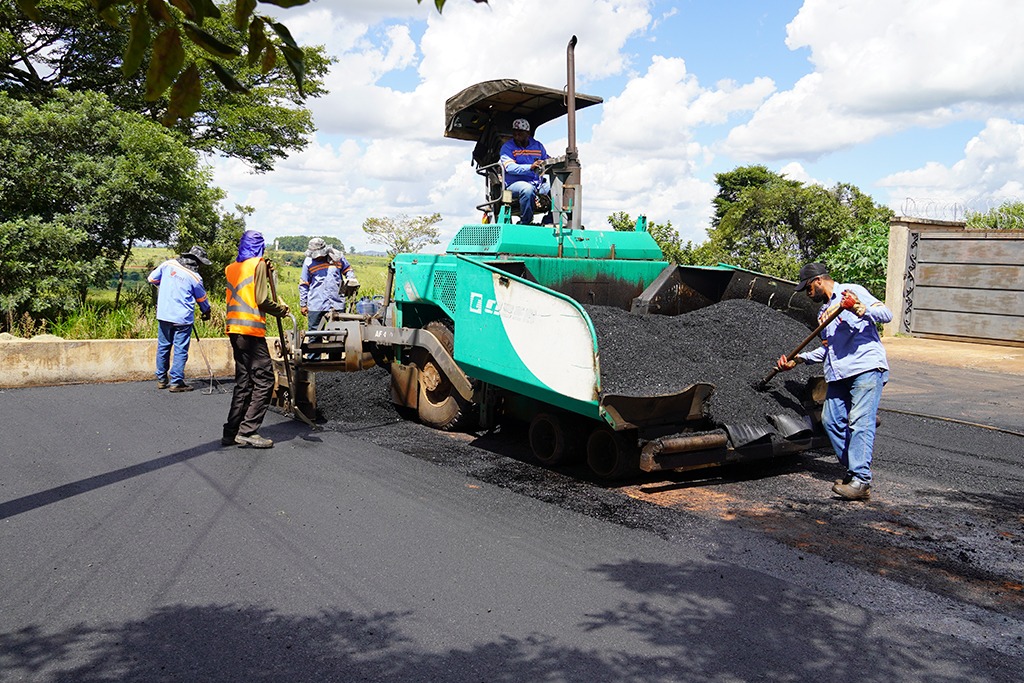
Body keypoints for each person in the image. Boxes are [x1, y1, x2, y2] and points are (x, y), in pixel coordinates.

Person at [774, 262, 893, 501]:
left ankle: (860, 480)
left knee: (860, 422)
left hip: (865, 368)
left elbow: (886, 315)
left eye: (807, 288)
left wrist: (857, 307)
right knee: (830, 421)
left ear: (817, 281)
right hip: (839, 374)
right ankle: (855, 471)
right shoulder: (822, 314)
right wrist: (798, 360)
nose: (808, 295)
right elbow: (829, 351)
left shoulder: (851, 291)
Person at [222, 230, 290, 449]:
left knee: (243, 382)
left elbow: (247, 288)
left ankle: (231, 432)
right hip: (251, 331)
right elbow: (260, 299)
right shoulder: (257, 264)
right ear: (260, 246)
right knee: (264, 380)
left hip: (234, 329)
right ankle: (248, 431)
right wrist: (280, 310)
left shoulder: (232, 268)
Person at [147, 246, 213, 393]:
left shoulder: (167, 265)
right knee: (180, 350)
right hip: (182, 319)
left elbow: (151, 279)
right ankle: (176, 382)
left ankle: (162, 379)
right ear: (196, 262)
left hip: (164, 314)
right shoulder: (195, 277)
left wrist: (165, 285)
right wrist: (206, 312)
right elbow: (202, 299)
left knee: (163, 347)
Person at [299, 238, 358, 331]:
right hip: (317, 304)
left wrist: (351, 279)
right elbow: (304, 284)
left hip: (336, 303)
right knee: (314, 334)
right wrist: (303, 304)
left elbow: (348, 270)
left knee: (339, 334)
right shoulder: (308, 262)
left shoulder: (337, 257)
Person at [499, 117, 551, 225]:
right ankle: (526, 222)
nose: (517, 135)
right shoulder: (507, 148)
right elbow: (509, 167)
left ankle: (550, 220)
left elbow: (547, 159)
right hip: (514, 185)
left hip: (538, 183)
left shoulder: (537, 146)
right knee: (527, 189)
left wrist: (555, 162)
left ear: (528, 133)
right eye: (515, 132)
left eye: (520, 132)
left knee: (557, 187)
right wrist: (530, 167)